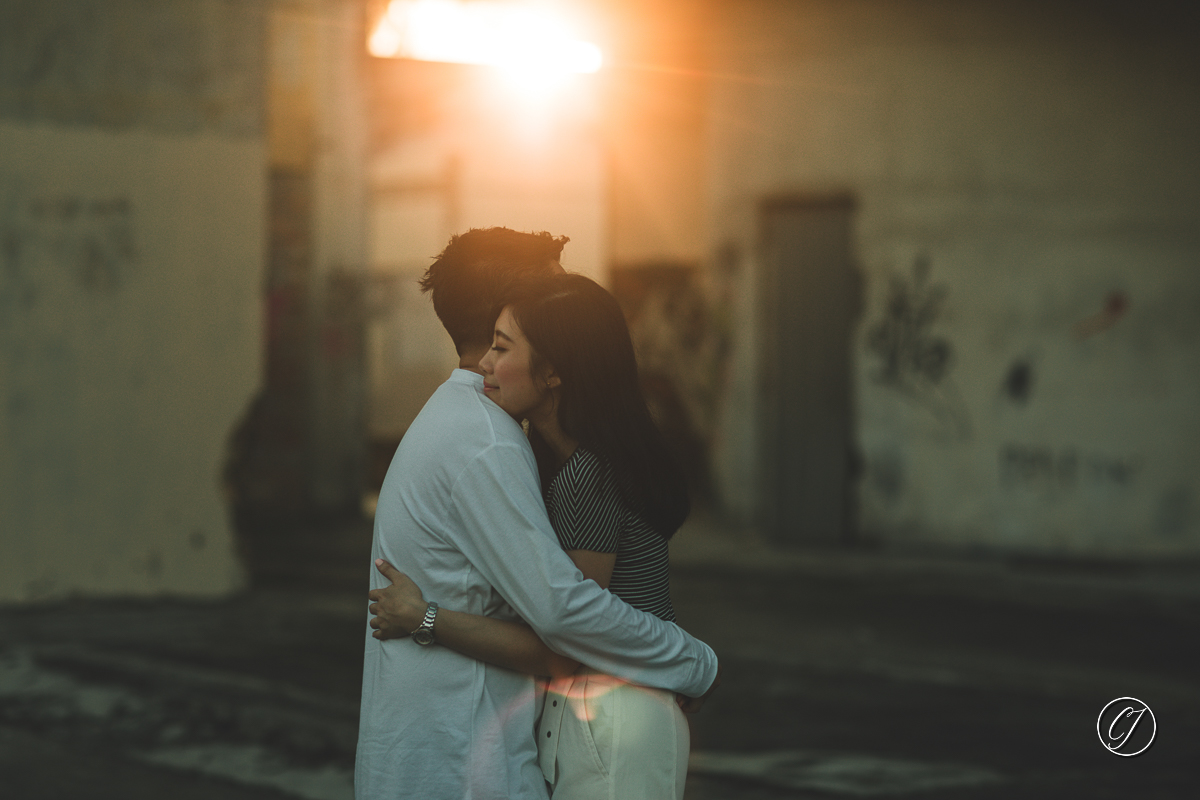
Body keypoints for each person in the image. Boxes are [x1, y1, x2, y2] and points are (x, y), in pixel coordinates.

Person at [354, 229, 719, 800]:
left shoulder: (479, 428)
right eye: (553, 292)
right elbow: (564, 618)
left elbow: (561, 626)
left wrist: (425, 617)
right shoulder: (489, 441)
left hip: (490, 745)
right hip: (461, 763)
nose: (568, 298)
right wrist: (692, 659)